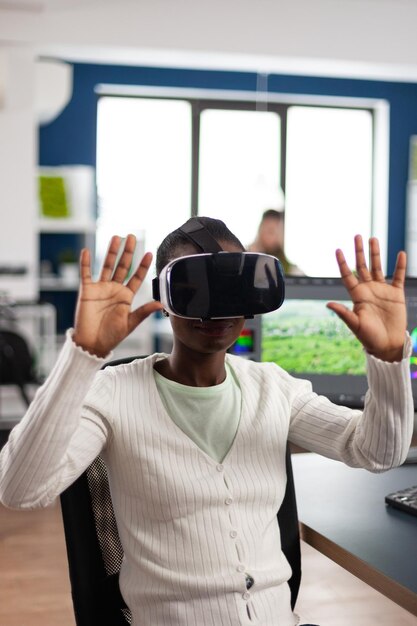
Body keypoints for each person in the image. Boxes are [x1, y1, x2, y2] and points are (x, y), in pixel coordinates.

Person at [0, 217, 413, 626]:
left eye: (230, 289)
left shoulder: (273, 388)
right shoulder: (112, 393)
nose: (214, 310)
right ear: (163, 296)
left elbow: (377, 452)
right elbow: (19, 490)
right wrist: (81, 357)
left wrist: (390, 357)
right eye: (192, 290)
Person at [249, 209, 304, 275]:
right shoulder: (248, 256)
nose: (267, 236)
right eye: (269, 231)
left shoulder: (289, 268)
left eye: (272, 231)